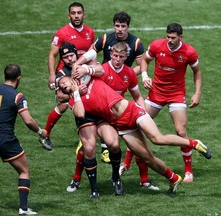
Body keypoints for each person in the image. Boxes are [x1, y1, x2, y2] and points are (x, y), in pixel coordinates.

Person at [57, 75, 211, 195]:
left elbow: (97, 66)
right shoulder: (75, 101)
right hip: (121, 125)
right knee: (147, 158)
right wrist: (76, 93)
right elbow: (80, 114)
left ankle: (194, 144)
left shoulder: (88, 77)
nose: (63, 86)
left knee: (157, 138)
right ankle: (173, 178)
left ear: (72, 79)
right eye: (61, 88)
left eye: (64, 82)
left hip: (132, 111)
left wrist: (85, 70)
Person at [67, 42, 159, 192]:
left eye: (121, 57)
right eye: (115, 56)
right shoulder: (102, 68)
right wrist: (81, 68)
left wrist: (142, 115)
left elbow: (137, 96)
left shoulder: (129, 73)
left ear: (126, 57)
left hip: (111, 115)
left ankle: (139, 180)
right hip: (90, 112)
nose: (117, 59)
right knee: (87, 147)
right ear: (111, 54)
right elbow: (95, 64)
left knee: (125, 145)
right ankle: (76, 179)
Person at [0, 64, 47, 215]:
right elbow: (28, 120)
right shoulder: (18, 96)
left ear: (4, 75)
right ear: (18, 78)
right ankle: (23, 209)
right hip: (6, 140)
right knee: (24, 171)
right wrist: (40, 131)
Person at [54, 43, 123, 198]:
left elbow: (101, 70)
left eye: (71, 55)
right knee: (89, 147)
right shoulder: (61, 73)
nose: (69, 59)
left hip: (100, 109)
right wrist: (75, 92)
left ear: (76, 54)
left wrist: (87, 69)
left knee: (113, 143)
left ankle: (116, 177)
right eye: (65, 57)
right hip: (84, 113)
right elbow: (60, 96)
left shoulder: (85, 62)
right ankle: (94, 189)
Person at [138, 22, 203, 183]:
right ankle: (125, 164)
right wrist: (145, 76)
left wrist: (197, 93)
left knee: (181, 132)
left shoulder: (189, 52)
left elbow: (197, 72)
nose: (170, 40)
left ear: (181, 37)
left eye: (173, 38)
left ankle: (188, 171)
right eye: (168, 37)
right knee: (137, 124)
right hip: (156, 93)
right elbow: (145, 60)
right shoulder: (157, 46)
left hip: (176, 94)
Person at [39, 1, 95, 150]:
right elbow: (52, 55)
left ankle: (87, 139)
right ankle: (46, 134)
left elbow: (91, 54)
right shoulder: (61, 33)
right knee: (64, 103)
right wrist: (52, 75)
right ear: (68, 15)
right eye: (73, 13)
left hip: (82, 71)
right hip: (66, 73)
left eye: (79, 13)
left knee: (86, 102)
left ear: (84, 14)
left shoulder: (90, 32)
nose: (76, 16)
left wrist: (91, 71)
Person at [92, 11, 145, 163]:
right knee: (104, 112)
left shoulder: (136, 43)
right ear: (113, 26)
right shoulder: (104, 38)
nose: (120, 29)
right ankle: (102, 147)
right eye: (117, 26)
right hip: (104, 80)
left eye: (123, 26)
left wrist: (126, 76)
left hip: (121, 83)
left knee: (115, 114)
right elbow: (92, 52)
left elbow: (141, 66)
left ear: (128, 27)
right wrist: (96, 67)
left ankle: (109, 145)